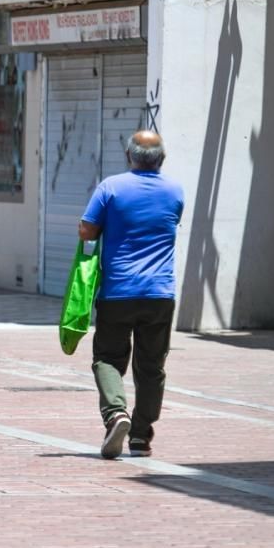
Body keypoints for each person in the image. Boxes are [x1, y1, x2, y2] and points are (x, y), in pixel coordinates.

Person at [78, 130, 184, 459]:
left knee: (108, 358)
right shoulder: (175, 191)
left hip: (118, 292)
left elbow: (87, 230)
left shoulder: (111, 187)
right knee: (152, 366)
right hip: (159, 293)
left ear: (129, 156)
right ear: (161, 159)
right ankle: (140, 436)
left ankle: (116, 414)